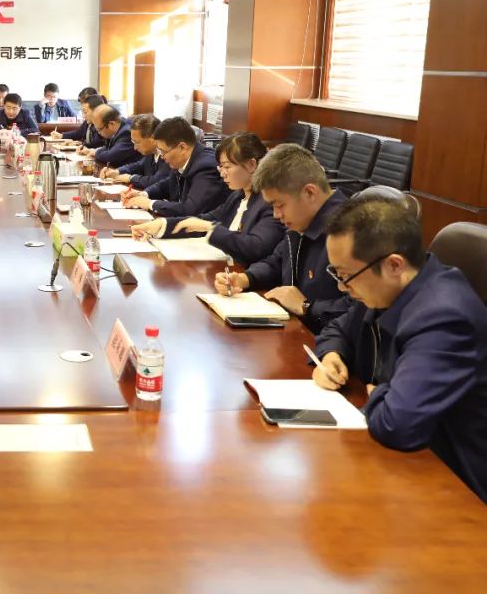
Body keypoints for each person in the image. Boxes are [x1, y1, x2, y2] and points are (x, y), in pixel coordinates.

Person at [311, 198, 487, 503]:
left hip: (455, 487)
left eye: (345, 275)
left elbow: (397, 425)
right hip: (407, 467)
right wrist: (332, 355)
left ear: (394, 264)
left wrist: (380, 392)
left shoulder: (443, 317)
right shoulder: (388, 290)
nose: (341, 287)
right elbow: (338, 329)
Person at [213, 143, 349, 333]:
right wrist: (245, 279)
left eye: (279, 205)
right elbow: (277, 261)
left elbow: (360, 310)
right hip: (295, 330)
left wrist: (306, 307)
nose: (276, 215)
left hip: (323, 340)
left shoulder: (351, 232)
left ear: (309, 192)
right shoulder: (301, 220)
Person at [131, 132, 284, 265]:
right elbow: (204, 220)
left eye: (227, 167)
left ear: (251, 165)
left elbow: (256, 247)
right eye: (220, 167)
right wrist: (161, 225)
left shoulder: (270, 202)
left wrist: (210, 228)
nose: (222, 173)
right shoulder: (238, 195)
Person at [122, 117, 229, 217]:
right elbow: (168, 183)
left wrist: (150, 204)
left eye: (163, 151)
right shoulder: (183, 160)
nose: (162, 157)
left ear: (182, 147)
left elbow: (191, 209)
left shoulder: (206, 167)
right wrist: (144, 194)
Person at [101, 114, 170, 190]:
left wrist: (130, 178)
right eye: (133, 142)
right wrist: (117, 171)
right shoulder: (151, 153)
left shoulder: (167, 155)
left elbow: (155, 181)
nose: (135, 148)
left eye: (137, 142)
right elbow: (138, 166)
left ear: (153, 138)